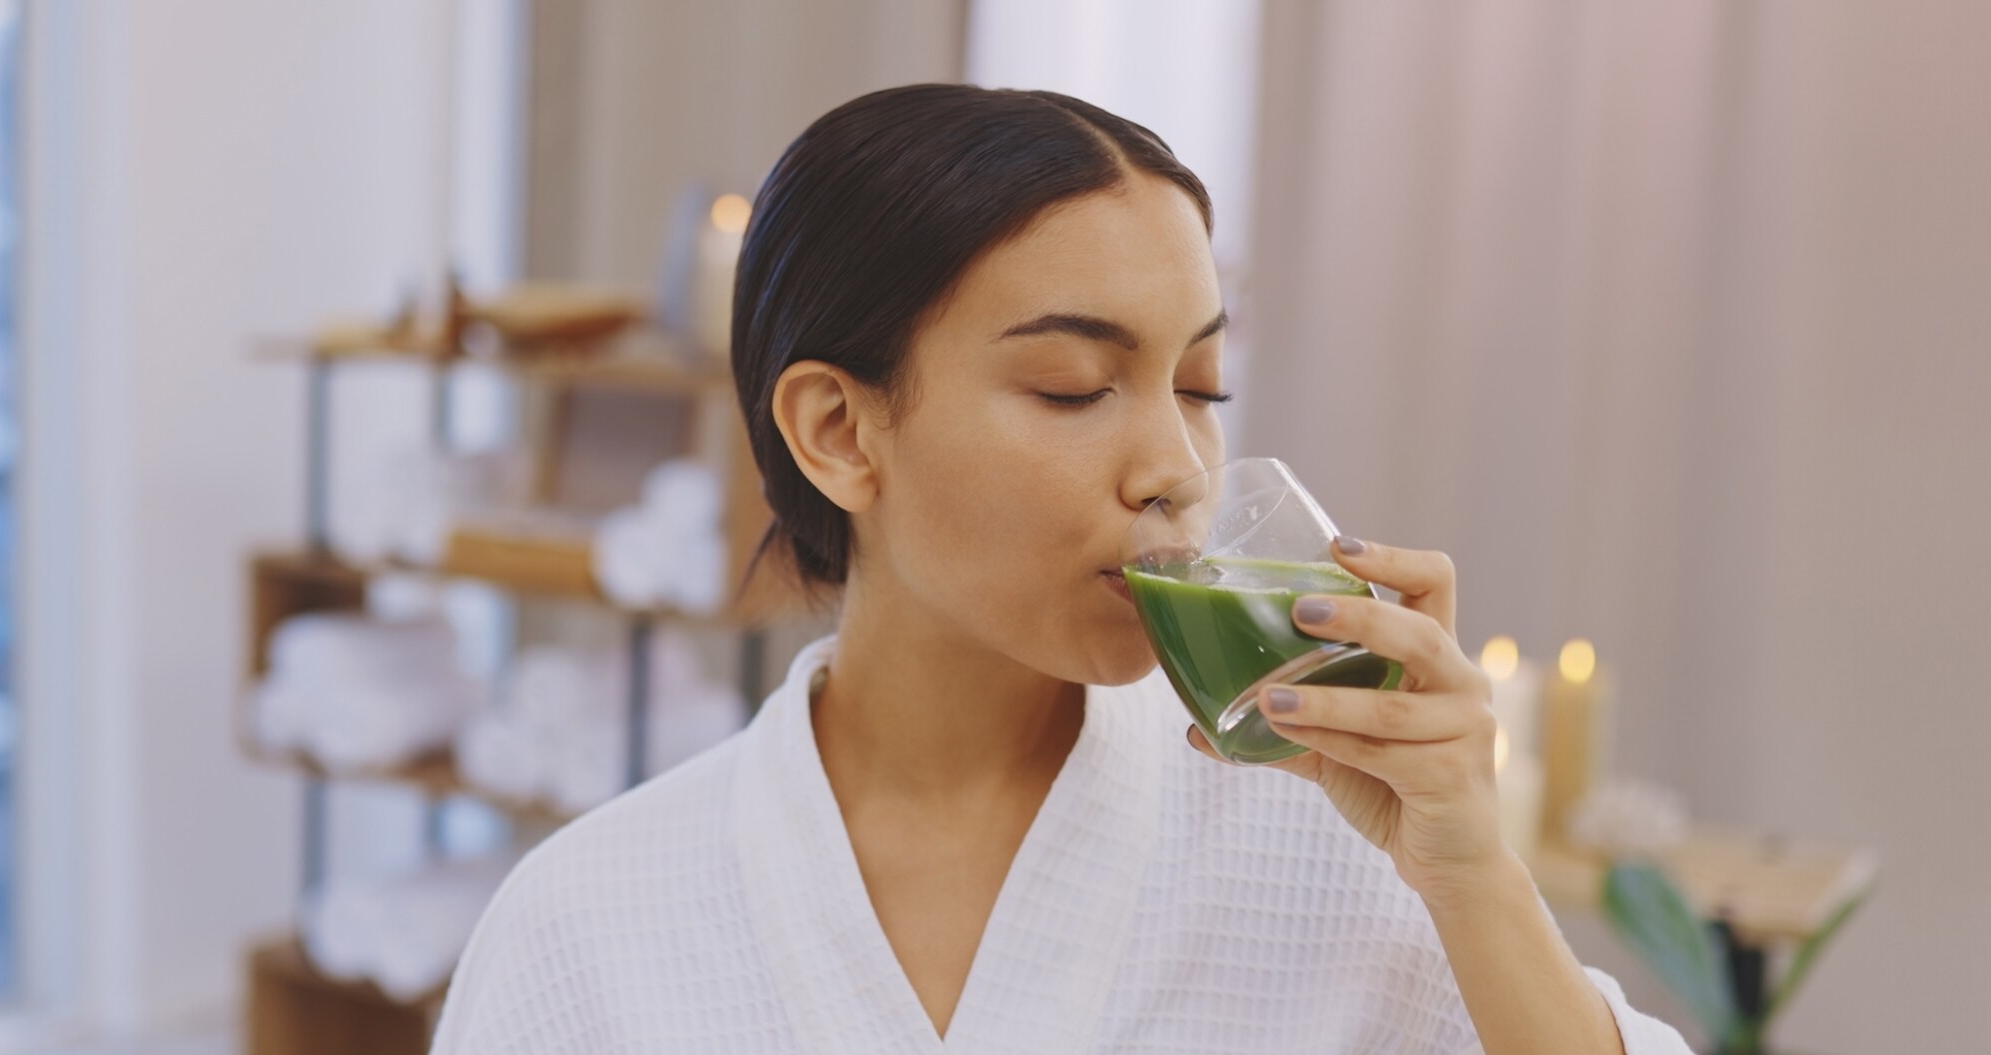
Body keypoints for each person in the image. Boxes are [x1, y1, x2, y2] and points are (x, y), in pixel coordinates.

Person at [429, 83, 1692, 1054]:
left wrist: (1471, 876)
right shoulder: (587, 924)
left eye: (1199, 387)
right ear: (838, 431)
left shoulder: (1334, 845)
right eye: (1075, 386)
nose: (1176, 468)